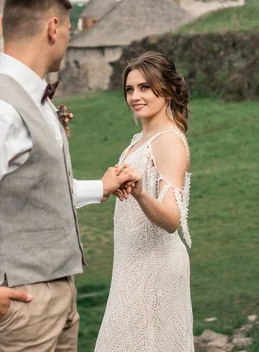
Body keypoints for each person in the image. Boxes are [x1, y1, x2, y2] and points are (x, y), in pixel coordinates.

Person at [0, 1, 135, 350]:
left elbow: (33, 190)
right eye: (68, 29)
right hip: (20, 307)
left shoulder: (36, 100)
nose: (69, 38)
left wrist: (101, 187)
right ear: (52, 28)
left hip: (58, 297)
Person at [94, 51, 194, 352]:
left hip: (155, 266)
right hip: (131, 262)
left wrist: (139, 192)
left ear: (168, 90)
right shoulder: (140, 139)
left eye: (145, 87)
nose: (135, 96)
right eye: (130, 88)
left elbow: (171, 219)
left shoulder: (168, 140)